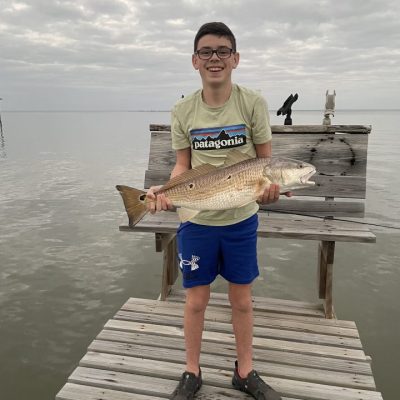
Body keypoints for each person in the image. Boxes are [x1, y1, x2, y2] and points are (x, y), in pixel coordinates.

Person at [147, 22, 287, 400]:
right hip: (197, 221)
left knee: (242, 300)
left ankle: (245, 371)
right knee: (195, 300)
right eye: (206, 51)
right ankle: (192, 371)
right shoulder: (183, 110)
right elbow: (182, 165)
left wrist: (269, 191)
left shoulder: (252, 103)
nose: (215, 58)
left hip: (241, 219)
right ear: (195, 61)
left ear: (235, 59)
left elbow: (265, 163)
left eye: (223, 51)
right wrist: (165, 191)